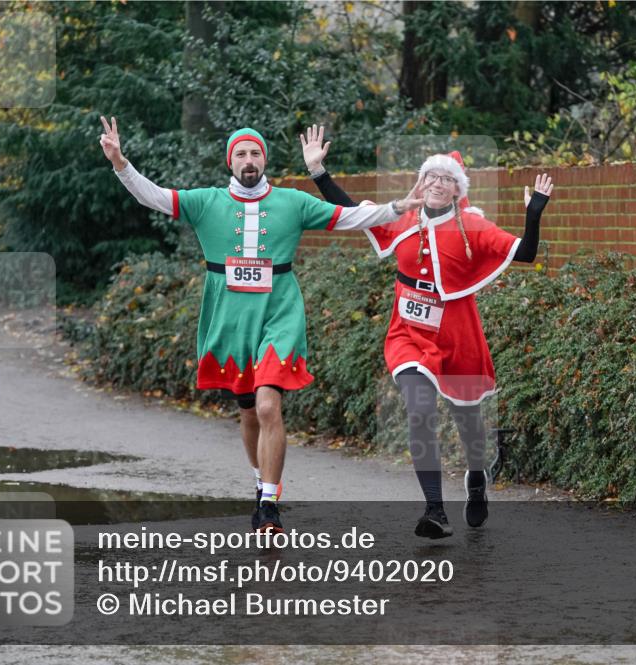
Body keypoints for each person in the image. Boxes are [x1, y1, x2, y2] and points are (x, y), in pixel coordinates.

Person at [99, 117, 423, 533]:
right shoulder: (206, 201)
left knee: (269, 405)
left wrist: (397, 207)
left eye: (255, 153)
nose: (249, 160)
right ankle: (260, 480)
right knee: (249, 411)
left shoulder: (293, 202)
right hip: (230, 320)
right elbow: (154, 196)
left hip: (279, 314)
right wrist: (120, 162)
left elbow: (349, 217)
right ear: (230, 161)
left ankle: (269, 503)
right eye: (241, 154)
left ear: (265, 159)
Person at [300, 125, 553, 538]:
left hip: (457, 335)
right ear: (421, 182)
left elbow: (524, 253)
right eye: (431, 176)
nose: (437, 183)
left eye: (447, 179)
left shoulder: (474, 226)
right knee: (419, 411)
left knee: (469, 423)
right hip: (408, 335)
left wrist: (534, 213)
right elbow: (351, 212)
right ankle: (435, 510)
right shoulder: (401, 217)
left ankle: (476, 477)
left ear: (457, 191)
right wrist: (318, 172)